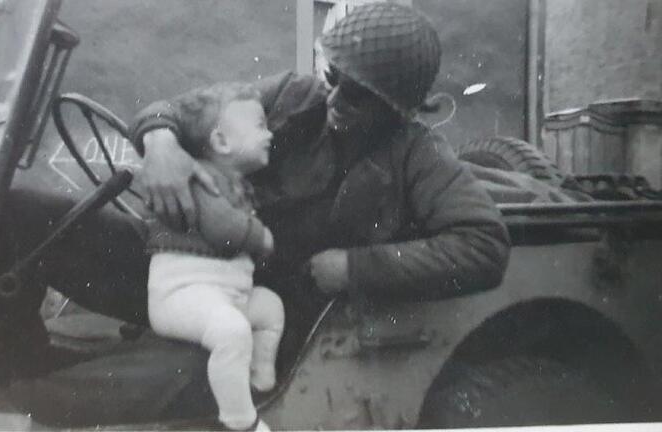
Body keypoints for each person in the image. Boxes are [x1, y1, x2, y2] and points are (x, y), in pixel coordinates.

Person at [130, 2, 510, 314]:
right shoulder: (291, 95)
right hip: (212, 269)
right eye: (333, 76)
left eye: (358, 94)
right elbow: (183, 110)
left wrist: (354, 268)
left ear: (399, 108)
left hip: (301, 315)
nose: (333, 100)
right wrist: (160, 144)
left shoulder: (417, 153)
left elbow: (483, 245)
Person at [141, 82, 282, 432]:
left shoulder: (236, 183)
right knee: (232, 331)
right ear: (220, 142)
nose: (270, 133)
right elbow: (224, 229)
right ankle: (240, 421)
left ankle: (260, 378)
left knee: (269, 308)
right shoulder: (200, 178)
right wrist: (260, 237)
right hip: (181, 297)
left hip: (225, 295)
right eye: (261, 126)